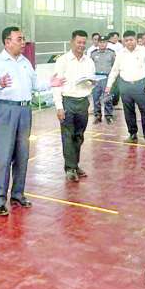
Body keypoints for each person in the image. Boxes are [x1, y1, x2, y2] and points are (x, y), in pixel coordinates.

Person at [0, 27, 65, 215]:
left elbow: (35, 85)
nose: (23, 42)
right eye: (19, 39)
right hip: (5, 110)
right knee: (3, 156)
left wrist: (51, 84)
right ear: (7, 42)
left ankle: (17, 194)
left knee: (22, 155)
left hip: (25, 110)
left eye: (23, 38)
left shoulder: (25, 62)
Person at [54, 30, 96, 182]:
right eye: (79, 42)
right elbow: (56, 84)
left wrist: (92, 83)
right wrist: (59, 106)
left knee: (79, 136)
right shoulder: (63, 61)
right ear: (72, 42)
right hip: (68, 102)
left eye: (84, 43)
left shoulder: (89, 61)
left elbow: (91, 83)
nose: (81, 45)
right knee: (68, 136)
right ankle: (70, 168)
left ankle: (75, 165)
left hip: (83, 102)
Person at [106, 30, 145, 144]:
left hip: (140, 85)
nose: (129, 42)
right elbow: (114, 70)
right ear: (124, 42)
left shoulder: (144, 51)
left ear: (136, 40)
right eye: (126, 40)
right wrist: (108, 85)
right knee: (128, 112)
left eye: (131, 40)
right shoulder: (120, 53)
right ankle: (132, 134)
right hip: (125, 86)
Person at [90, 37, 116, 124]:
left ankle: (108, 115)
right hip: (96, 78)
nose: (102, 44)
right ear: (98, 43)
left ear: (107, 43)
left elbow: (114, 66)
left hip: (107, 77)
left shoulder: (111, 53)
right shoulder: (93, 54)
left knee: (107, 97)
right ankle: (97, 115)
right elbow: (90, 66)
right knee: (96, 97)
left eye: (104, 42)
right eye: (100, 42)